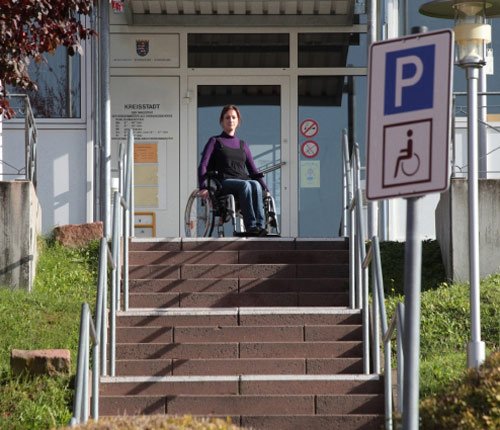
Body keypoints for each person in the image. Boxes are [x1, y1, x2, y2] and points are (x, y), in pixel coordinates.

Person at [198, 104, 269, 236]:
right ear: (222, 121)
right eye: (227, 117)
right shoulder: (215, 141)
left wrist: (265, 188)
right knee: (246, 185)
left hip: (243, 181)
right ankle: (251, 226)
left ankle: (260, 226)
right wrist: (202, 186)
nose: (230, 120)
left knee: (255, 184)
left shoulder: (243, 145)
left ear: (238, 121)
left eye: (233, 117)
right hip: (224, 182)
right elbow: (203, 165)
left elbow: (253, 170)